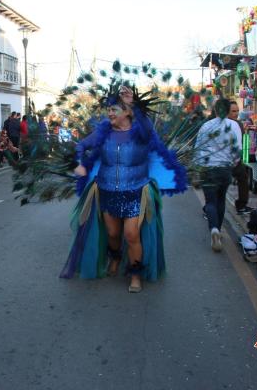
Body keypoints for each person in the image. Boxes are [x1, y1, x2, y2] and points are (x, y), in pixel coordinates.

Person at [61, 86, 186, 292]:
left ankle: (135, 273)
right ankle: (116, 257)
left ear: (127, 112)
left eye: (114, 109)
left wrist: (134, 104)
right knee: (112, 233)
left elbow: (146, 124)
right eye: (108, 110)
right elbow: (80, 146)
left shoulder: (142, 133)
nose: (109, 113)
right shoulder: (103, 133)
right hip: (107, 190)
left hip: (135, 191)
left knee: (131, 234)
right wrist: (78, 163)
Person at [195, 98, 242, 252]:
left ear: (215, 110)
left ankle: (214, 229)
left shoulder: (206, 126)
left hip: (208, 169)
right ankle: (219, 230)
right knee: (221, 200)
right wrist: (233, 164)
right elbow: (238, 150)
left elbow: (198, 149)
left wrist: (198, 167)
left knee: (210, 202)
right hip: (225, 169)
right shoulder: (234, 125)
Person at [229, 101, 252, 214]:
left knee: (243, 178)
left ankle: (241, 205)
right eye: (233, 111)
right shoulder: (224, 124)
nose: (236, 113)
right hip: (224, 159)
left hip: (236, 160)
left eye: (237, 111)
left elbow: (243, 141)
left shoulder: (239, 123)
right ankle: (210, 206)